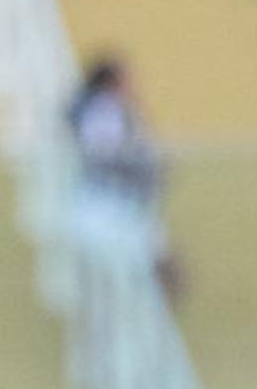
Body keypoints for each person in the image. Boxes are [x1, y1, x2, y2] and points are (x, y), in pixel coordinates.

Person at [65, 53, 175, 300]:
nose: (132, 84)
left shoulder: (106, 108)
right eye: (127, 78)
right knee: (145, 259)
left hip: (113, 198)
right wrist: (147, 167)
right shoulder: (105, 109)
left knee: (155, 258)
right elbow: (105, 153)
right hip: (110, 200)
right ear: (112, 81)